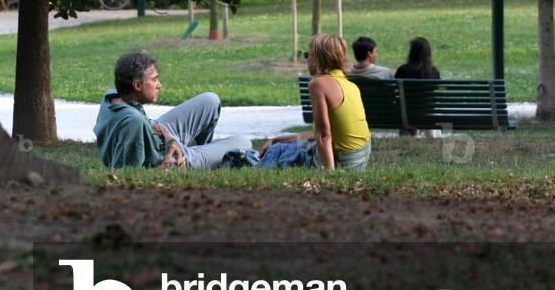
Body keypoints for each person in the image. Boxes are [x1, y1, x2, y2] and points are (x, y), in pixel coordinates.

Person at [94, 52, 253, 169]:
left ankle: (201, 153)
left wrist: (171, 140)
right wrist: (164, 167)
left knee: (210, 100)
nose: (159, 85)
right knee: (244, 143)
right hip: (168, 159)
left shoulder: (112, 96)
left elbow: (148, 125)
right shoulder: (132, 122)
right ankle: (196, 159)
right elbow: (126, 174)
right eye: (154, 79)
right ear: (137, 85)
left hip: (160, 139)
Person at [259, 34, 371, 171]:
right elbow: (326, 133)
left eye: (308, 55)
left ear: (318, 58)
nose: (307, 60)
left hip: (340, 162)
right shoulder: (351, 86)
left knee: (276, 151)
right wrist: (277, 139)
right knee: (281, 146)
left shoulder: (318, 84)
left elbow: (324, 135)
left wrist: (328, 175)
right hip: (358, 160)